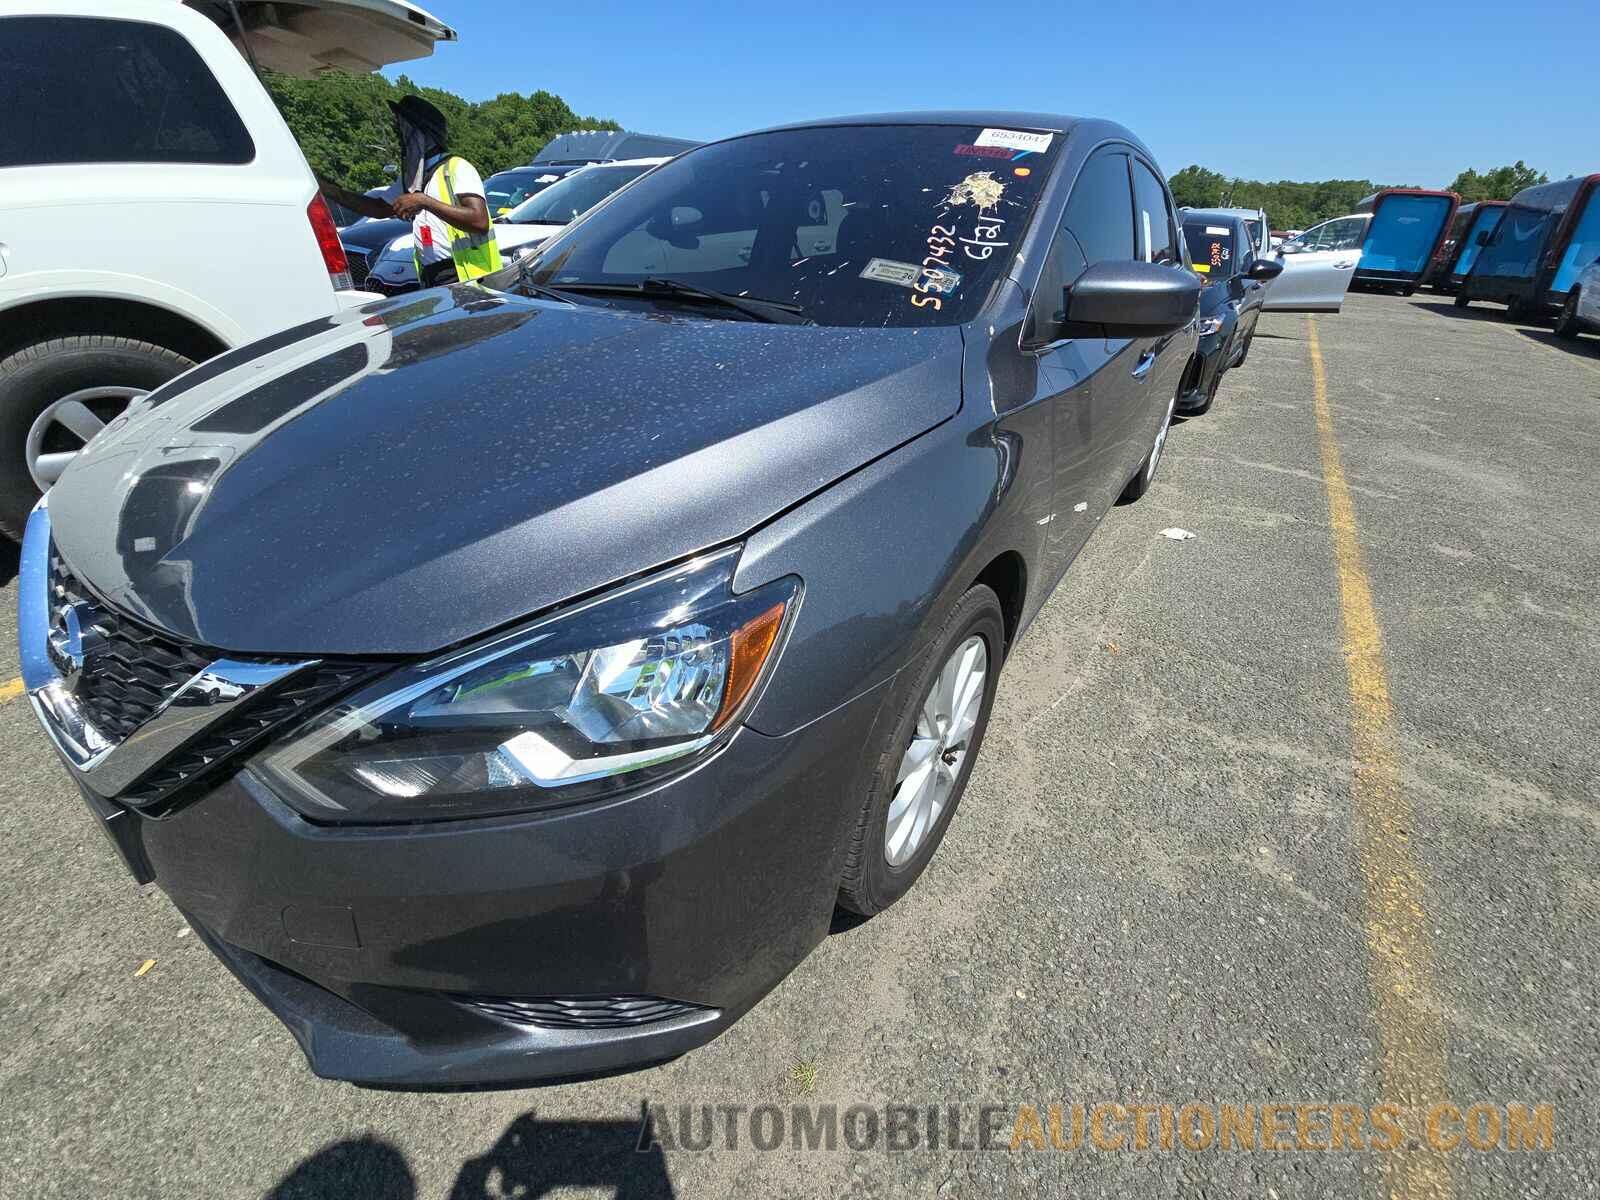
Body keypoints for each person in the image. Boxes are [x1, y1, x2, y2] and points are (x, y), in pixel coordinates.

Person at [318, 95, 500, 288]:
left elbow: (479, 221)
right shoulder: (414, 178)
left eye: (403, 127)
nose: (398, 133)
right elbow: (379, 208)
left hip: (468, 277)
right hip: (433, 276)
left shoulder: (457, 168)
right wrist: (331, 191)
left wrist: (424, 201)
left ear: (422, 133)